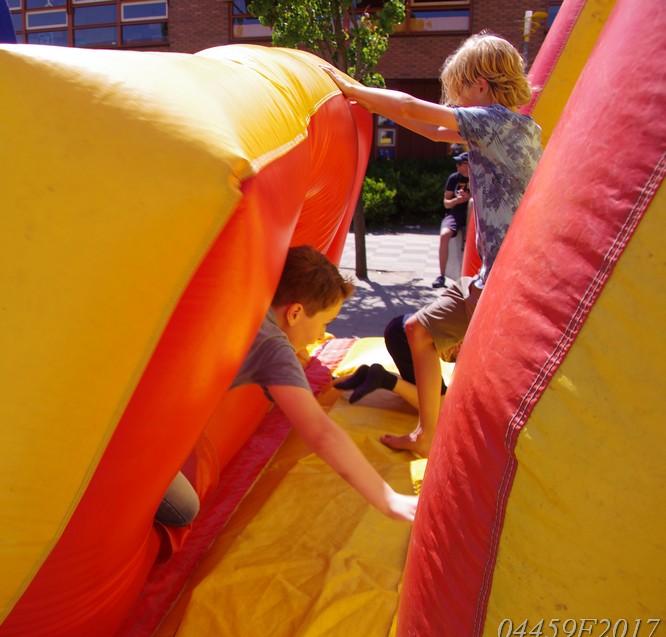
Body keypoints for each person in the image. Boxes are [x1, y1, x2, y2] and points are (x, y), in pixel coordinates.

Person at [322, 32, 542, 457]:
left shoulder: (495, 122)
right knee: (417, 329)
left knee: (489, 372)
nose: (454, 101)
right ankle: (427, 434)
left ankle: (487, 451)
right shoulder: (514, 127)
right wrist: (373, 106)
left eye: (458, 90)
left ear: (480, 84)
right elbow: (433, 128)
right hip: (492, 276)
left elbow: (411, 107)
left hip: (507, 284)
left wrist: (352, 88)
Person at [157, 245, 419, 526]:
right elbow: (320, 432)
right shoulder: (272, 345)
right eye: (325, 323)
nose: (322, 334)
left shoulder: (245, 295)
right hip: (142, 433)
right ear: (294, 313)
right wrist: (389, 499)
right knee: (184, 509)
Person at [433, 150, 471, 288]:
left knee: (472, 204)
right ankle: (441, 276)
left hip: (473, 214)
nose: (457, 165)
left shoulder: (477, 178)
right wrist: (458, 200)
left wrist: (469, 198)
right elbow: (446, 203)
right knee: (444, 236)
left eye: (460, 163)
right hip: (456, 212)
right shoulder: (454, 178)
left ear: (468, 164)